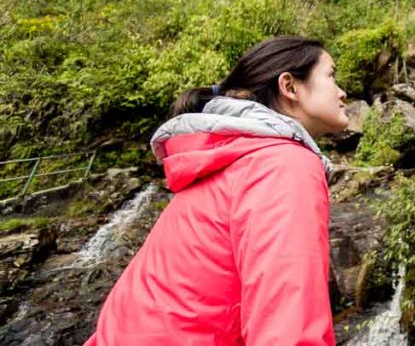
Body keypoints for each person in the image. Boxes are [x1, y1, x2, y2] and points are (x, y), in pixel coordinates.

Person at [84, 35, 349, 345]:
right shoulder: (283, 164)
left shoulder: (233, 158)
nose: (342, 91)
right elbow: (287, 327)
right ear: (290, 86)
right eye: (331, 75)